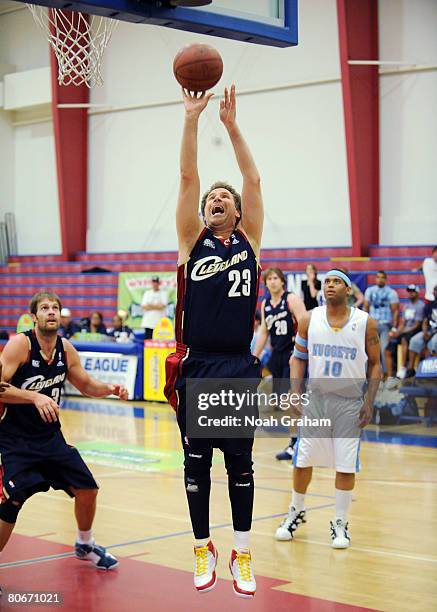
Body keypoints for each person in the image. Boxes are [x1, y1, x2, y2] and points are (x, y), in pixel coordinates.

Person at [164, 85, 262, 597]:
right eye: (211, 198)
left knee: (241, 466)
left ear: (238, 211)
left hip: (238, 367)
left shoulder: (250, 241)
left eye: (224, 198)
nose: (216, 198)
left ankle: (242, 553)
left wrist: (230, 125)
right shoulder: (190, 241)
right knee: (197, 467)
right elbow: (187, 176)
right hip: (199, 364)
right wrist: (191, 118)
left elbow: (252, 177)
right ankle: (203, 546)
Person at [0, 291, 129, 588]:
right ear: (34, 316)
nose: (51, 312)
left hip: (50, 438)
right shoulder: (20, 345)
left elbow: (85, 383)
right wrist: (34, 397)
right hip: (16, 441)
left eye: (54, 308)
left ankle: (85, 544)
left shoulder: (65, 348)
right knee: (12, 502)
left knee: (88, 489)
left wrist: (110, 388)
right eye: (44, 308)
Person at [275, 270, 381, 548]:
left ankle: (340, 522)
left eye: (336, 281)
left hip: (349, 403)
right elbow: (297, 359)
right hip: (317, 402)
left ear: (348, 289)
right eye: (327, 282)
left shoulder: (365, 323)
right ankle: (295, 511)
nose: (330, 285)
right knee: (302, 460)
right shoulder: (309, 319)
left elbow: (376, 364)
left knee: (345, 465)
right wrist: (295, 393)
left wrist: (369, 401)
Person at [253, 267, 306, 460]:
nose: (273, 281)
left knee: (293, 399)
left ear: (282, 281)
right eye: (269, 279)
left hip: (294, 354)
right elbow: (264, 333)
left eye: (276, 278)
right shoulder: (266, 303)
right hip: (277, 355)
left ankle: (298, 443)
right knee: (285, 402)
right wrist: (255, 356)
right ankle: (296, 441)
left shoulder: (291, 299)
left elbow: (305, 324)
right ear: (265, 283)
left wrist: (300, 351)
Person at [384, 284, 425, 386]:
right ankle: (390, 375)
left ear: (417, 293)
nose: (410, 293)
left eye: (413, 291)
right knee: (388, 347)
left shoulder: (421, 305)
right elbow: (403, 323)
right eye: (409, 292)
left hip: (415, 331)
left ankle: (403, 367)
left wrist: (402, 332)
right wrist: (397, 332)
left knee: (404, 339)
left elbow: (417, 325)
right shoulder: (407, 306)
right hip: (406, 331)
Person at [363, 271, 399, 372]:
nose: (380, 279)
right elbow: (365, 308)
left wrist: (394, 328)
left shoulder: (391, 292)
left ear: (386, 279)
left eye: (382, 277)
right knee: (368, 350)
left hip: (385, 325)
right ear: (375, 279)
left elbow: (395, 311)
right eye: (378, 277)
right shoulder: (369, 291)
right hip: (372, 325)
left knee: (384, 350)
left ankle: (387, 375)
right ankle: (367, 374)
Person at [407, 284, 437, 375]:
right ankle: (411, 369)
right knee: (414, 340)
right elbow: (425, 321)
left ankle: (433, 371)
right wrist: (424, 332)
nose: (435, 292)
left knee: (434, 342)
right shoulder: (430, 305)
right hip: (429, 330)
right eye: (435, 290)